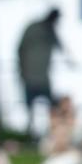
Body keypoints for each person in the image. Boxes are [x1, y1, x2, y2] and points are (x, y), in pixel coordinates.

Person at [17, 8, 66, 137]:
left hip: (43, 77)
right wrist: (21, 70)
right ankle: (30, 132)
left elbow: (61, 47)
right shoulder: (34, 28)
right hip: (30, 76)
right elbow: (20, 49)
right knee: (30, 107)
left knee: (51, 106)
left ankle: (51, 131)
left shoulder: (50, 30)